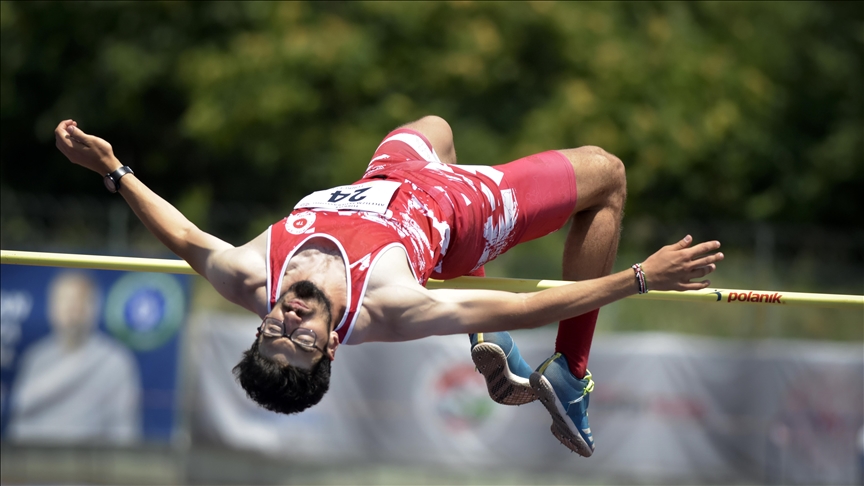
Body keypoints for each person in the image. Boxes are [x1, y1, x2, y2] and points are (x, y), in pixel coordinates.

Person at [54, 116, 723, 456]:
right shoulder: (386, 306)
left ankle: (475, 318)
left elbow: (182, 235)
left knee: (438, 126)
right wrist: (640, 278)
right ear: (330, 348)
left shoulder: (251, 275)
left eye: (274, 332)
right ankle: (571, 374)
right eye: (302, 340)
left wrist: (113, 170)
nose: (290, 320)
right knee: (607, 174)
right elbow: (531, 304)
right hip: (462, 207)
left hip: (389, 170)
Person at [8, 271, 141, 444]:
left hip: (92, 457)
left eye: (79, 301)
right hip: (35, 455)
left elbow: (123, 430)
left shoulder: (114, 361)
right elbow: (19, 420)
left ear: (94, 307)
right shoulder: (36, 358)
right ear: (51, 307)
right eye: (64, 301)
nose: (72, 310)